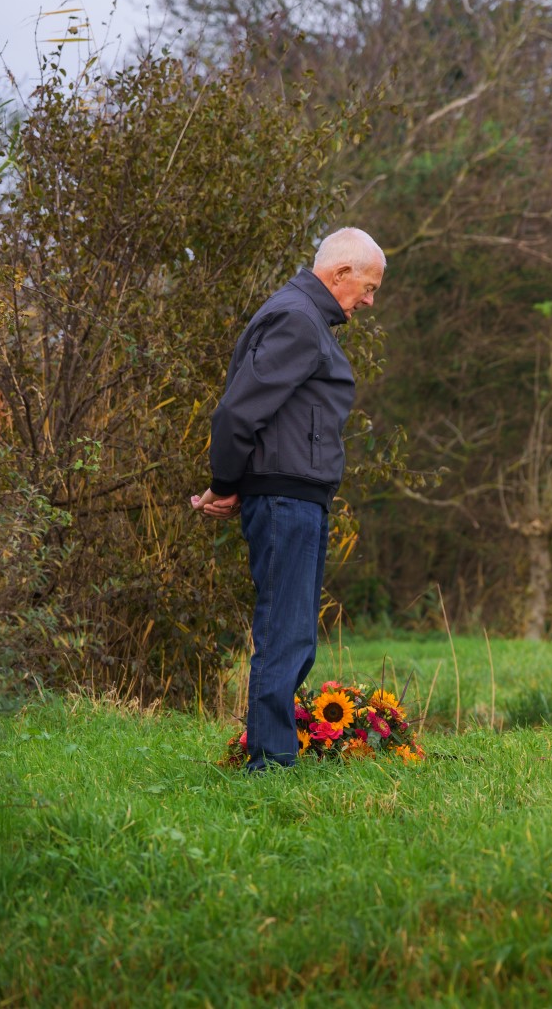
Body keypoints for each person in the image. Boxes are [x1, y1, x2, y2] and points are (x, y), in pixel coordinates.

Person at [191, 228, 385, 770]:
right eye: (367, 286)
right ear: (340, 274)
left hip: (294, 496)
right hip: (284, 499)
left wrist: (230, 483)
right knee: (285, 632)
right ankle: (271, 763)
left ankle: (275, 756)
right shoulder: (298, 320)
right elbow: (236, 413)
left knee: (294, 630)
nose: (369, 300)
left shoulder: (305, 318)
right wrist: (227, 484)